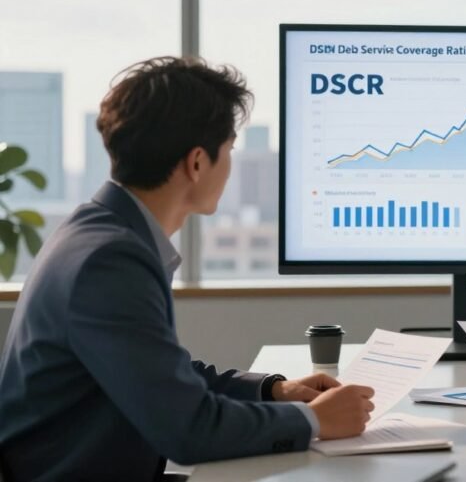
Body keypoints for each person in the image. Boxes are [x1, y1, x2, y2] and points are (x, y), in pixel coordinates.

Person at [0, 57, 375, 481]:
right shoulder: (110, 261)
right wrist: (316, 423)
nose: (230, 165)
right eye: (229, 150)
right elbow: (190, 430)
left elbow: (163, 375)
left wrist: (273, 390)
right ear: (197, 162)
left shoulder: (102, 232)